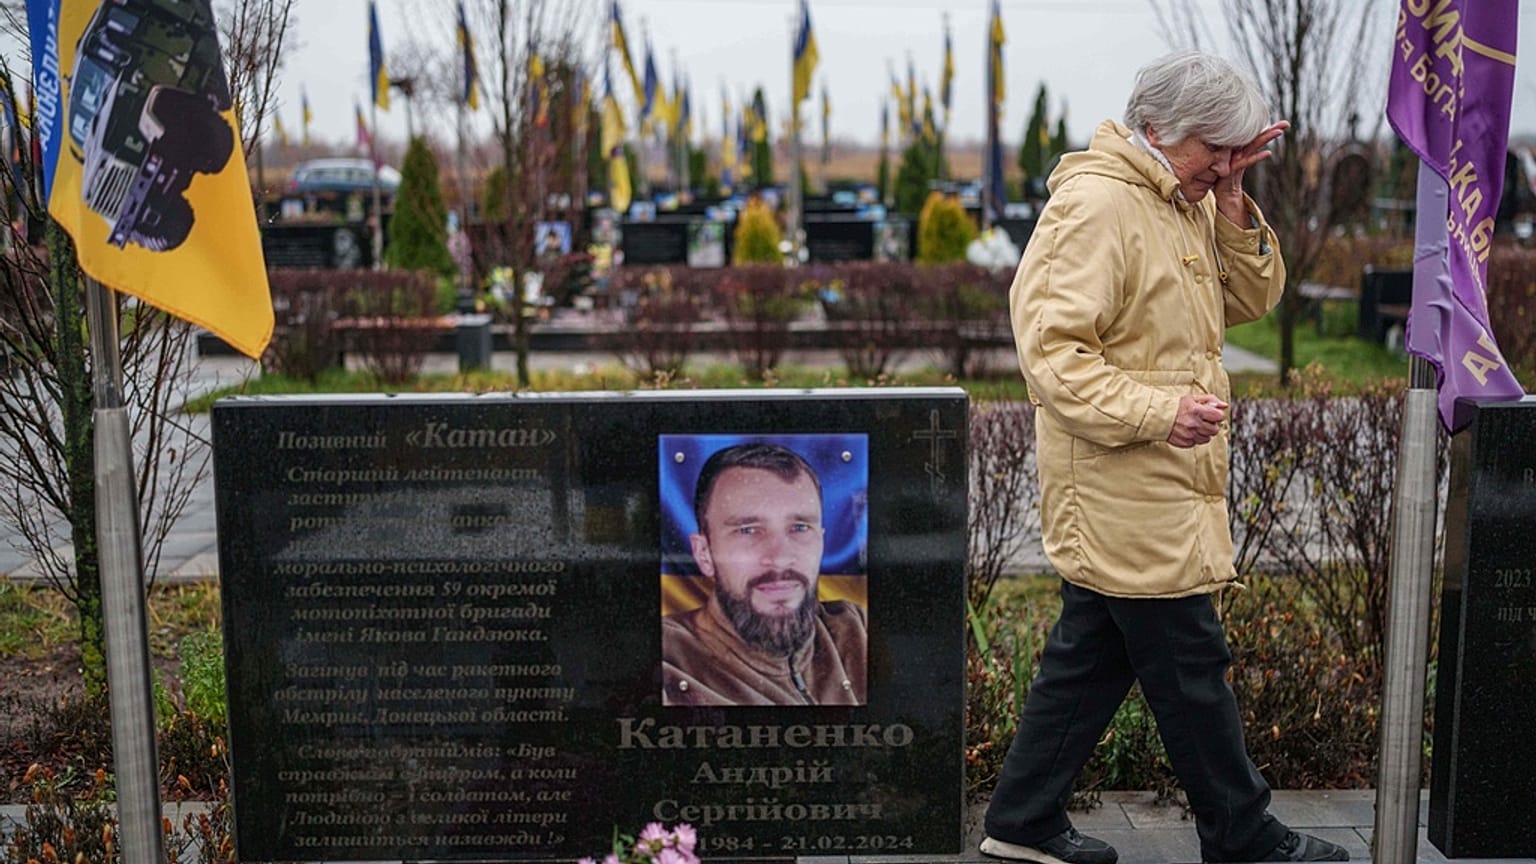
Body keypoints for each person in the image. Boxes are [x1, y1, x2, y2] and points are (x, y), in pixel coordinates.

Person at [980, 52, 1349, 864]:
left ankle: (1022, 822)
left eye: (1233, 148)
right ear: (1155, 131)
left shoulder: (1176, 198)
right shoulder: (1096, 207)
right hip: (1123, 483)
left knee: (1094, 658)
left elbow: (1250, 300)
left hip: (1157, 483)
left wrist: (1230, 196)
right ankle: (1242, 834)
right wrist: (1162, 411)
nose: (1224, 160)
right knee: (1191, 665)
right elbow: (1054, 359)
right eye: (1213, 148)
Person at [661, 442, 867, 706]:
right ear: (704, 553)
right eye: (748, 530)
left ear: (822, 541)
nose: (780, 558)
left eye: (800, 527)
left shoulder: (858, 631)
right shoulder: (666, 663)